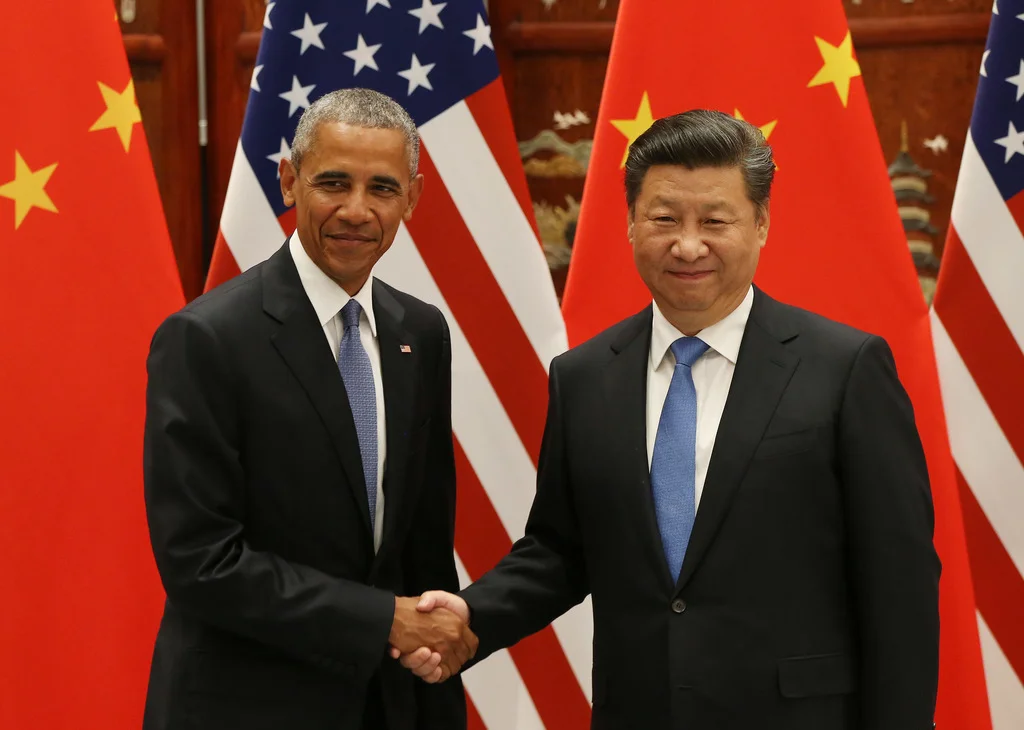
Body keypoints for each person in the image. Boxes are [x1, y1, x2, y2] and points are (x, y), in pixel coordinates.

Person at [398, 110, 940, 729]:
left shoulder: (845, 369)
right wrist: (473, 617)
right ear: (630, 224)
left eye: (715, 221)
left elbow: (899, 586)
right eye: (663, 219)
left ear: (761, 223)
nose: (687, 245)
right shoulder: (584, 376)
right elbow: (560, 549)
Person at [142, 88, 476, 730]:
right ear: (289, 182)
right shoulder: (205, 339)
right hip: (243, 706)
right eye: (333, 182)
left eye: (382, 188)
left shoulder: (422, 332)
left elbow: (423, 544)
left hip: (387, 704)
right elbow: (200, 563)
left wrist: (436, 680)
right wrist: (385, 620)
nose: (357, 210)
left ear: (413, 196)